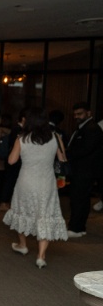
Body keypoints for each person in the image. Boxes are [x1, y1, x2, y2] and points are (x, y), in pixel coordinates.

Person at [2, 107, 68, 268]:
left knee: (22, 211)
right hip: (47, 182)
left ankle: (23, 245)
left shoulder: (22, 138)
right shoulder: (55, 137)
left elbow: (11, 160)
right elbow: (62, 159)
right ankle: (41, 256)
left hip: (26, 181)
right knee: (45, 214)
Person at [66, 102, 103, 237]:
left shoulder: (92, 128)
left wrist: (67, 154)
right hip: (82, 170)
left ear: (88, 113)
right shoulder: (83, 127)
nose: (76, 116)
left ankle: (75, 228)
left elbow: (86, 150)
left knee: (79, 199)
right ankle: (79, 227)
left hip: (85, 171)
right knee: (80, 199)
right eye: (75, 114)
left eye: (80, 114)